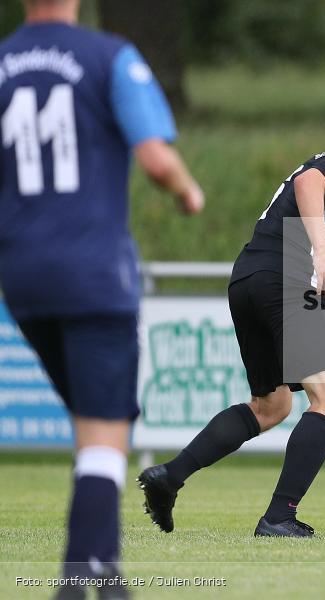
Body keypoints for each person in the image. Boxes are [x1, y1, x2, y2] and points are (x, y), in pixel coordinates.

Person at [138, 94, 325, 539]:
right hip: (286, 281)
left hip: (250, 280)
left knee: (271, 406)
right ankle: (279, 517)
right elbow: (309, 184)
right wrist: (321, 252)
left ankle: (169, 477)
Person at [0, 0, 205, 597]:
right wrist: (187, 192)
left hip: (22, 277)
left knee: (92, 429)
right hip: (93, 274)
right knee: (104, 432)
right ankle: (76, 581)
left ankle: (105, 575)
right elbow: (155, 158)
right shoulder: (108, 56)